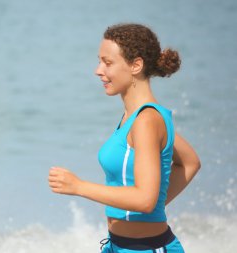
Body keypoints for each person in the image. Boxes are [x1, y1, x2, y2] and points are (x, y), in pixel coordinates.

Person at [48, 23, 201, 253]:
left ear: (136, 65)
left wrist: (79, 186)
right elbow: (190, 162)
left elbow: (145, 199)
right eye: (100, 61)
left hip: (147, 249)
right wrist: (151, 206)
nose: (98, 70)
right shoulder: (137, 117)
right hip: (117, 246)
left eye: (108, 63)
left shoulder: (147, 121)